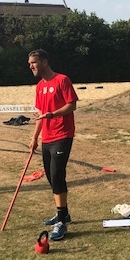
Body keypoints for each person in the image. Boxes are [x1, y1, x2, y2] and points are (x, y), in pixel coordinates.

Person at [28, 49, 79, 241]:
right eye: (29, 64)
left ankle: (61, 222)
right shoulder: (39, 86)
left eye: (33, 62)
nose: (31, 66)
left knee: (57, 175)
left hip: (63, 134)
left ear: (45, 62)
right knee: (51, 176)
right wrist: (34, 137)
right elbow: (41, 115)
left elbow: (72, 105)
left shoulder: (62, 80)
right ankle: (62, 213)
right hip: (47, 138)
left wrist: (53, 114)